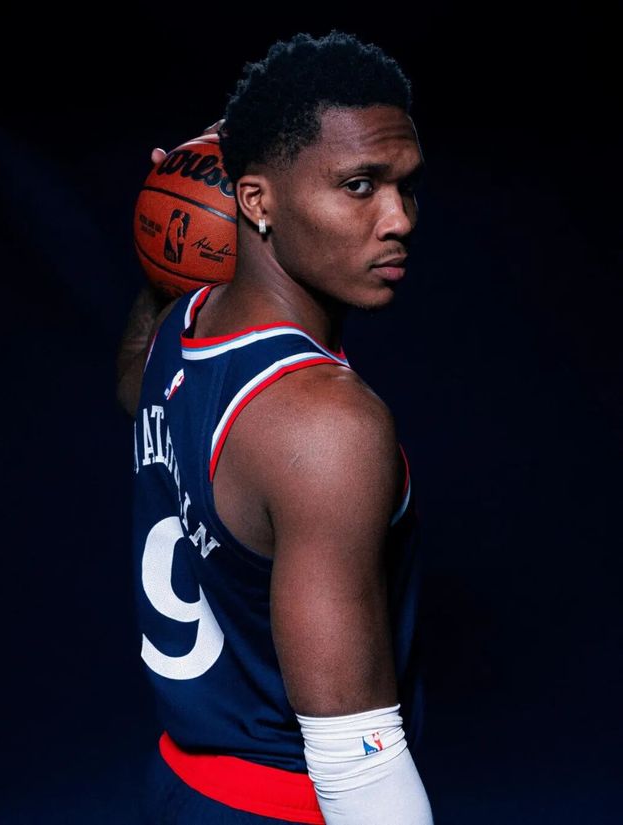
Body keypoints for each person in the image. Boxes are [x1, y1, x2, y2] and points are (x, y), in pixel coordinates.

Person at [117, 30, 434, 825]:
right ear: (256, 201)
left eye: (406, 185)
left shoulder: (184, 326)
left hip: (179, 785)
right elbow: (357, 761)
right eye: (360, 185)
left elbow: (134, 390)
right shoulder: (327, 424)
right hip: (289, 806)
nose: (398, 218)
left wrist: (168, 230)